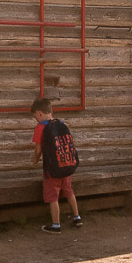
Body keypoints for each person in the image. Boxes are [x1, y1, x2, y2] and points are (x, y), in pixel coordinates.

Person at [30, 97, 82, 232]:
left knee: (53, 196)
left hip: (52, 170)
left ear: (39, 113)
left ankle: (56, 225)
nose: (36, 119)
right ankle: (77, 217)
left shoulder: (40, 127)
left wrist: (35, 160)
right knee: (69, 191)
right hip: (66, 165)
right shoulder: (61, 123)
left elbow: (38, 150)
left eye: (35, 117)